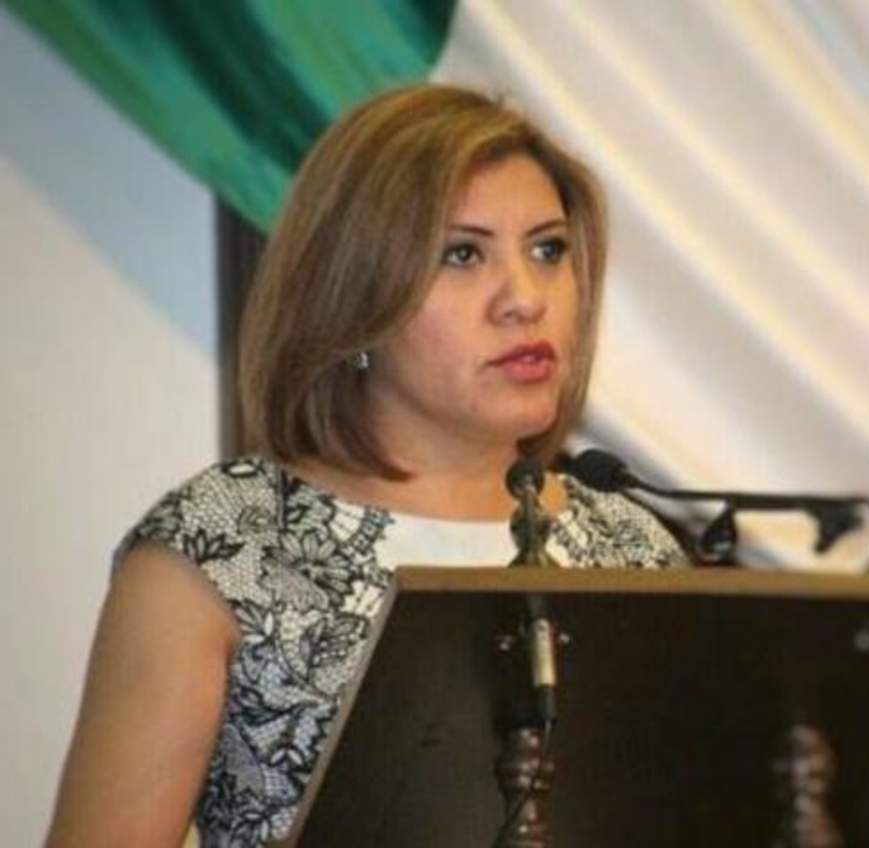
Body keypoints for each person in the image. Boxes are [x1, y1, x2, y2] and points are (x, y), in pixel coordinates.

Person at [45, 84, 686, 848]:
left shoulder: (633, 549)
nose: (525, 298)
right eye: (462, 254)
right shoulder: (224, 545)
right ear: (354, 297)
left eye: (548, 250)